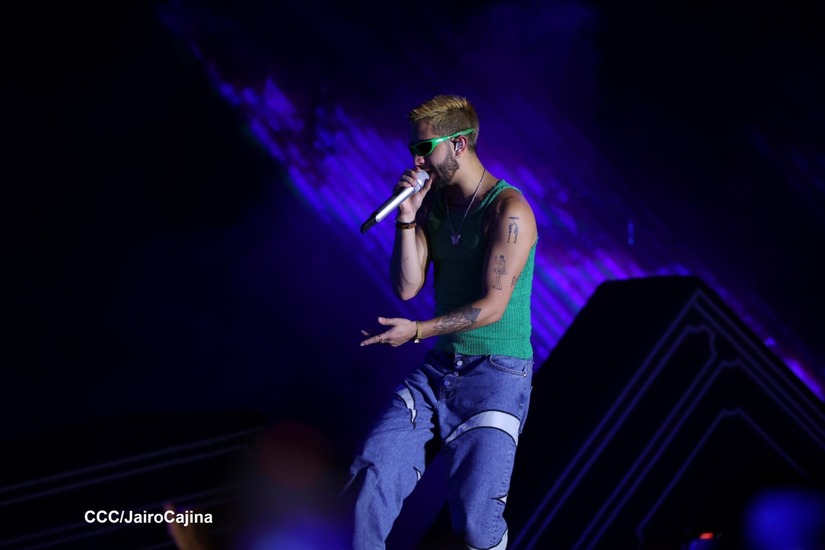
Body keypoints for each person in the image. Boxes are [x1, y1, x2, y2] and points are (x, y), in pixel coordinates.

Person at [347, 94, 538, 549]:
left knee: (475, 524)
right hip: (439, 372)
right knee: (369, 480)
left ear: (459, 144)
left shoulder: (508, 210)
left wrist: (416, 331)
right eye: (413, 149)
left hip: (497, 374)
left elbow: (491, 307)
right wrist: (407, 219)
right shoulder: (432, 205)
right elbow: (407, 287)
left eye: (424, 148)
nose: (416, 160)